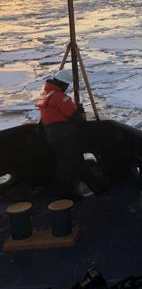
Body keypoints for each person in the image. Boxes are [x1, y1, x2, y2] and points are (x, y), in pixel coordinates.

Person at [36, 69, 98, 198]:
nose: (66, 87)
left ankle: (92, 188)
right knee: (72, 165)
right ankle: (63, 195)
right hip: (65, 136)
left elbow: (50, 113)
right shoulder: (60, 97)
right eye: (66, 85)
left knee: (68, 163)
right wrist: (78, 110)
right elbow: (75, 117)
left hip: (52, 136)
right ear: (62, 84)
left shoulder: (44, 94)